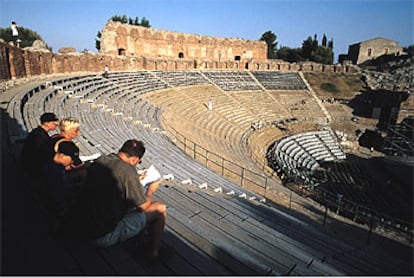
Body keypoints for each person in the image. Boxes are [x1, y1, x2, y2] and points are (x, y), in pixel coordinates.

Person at [60, 139, 172, 262]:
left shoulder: (101, 160)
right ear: (135, 159)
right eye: (138, 162)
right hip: (101, 235)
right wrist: (150, 190)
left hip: (83, 225)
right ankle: (154, 253)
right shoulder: (128, 171)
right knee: (159, 208)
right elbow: (143, 207)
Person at [41, 141, 83, 235]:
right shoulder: (54, 172)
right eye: (71, 159)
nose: (72, 162)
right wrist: (78, 187)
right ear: (62, 156)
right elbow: (60, 193)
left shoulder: (52, 164)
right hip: (54, 206)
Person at [21, 112, 59, 180]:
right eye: (54, 123)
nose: (56, 125)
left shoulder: (38, 132)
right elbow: (43, 152)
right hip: (33, 166)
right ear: (46, 123)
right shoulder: (39, 136)